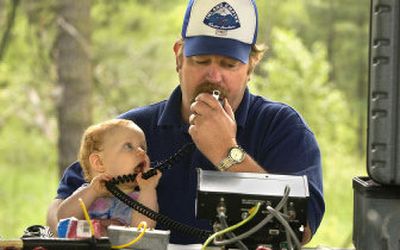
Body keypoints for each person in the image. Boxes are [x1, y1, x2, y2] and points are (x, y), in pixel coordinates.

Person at [48, 0, 324, 245]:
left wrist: (227, 154)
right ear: (179, 56)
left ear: (250, 67)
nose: (214, 76)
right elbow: (57, 212)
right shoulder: (132, 132)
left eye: (229, 65)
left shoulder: (282, 128)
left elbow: (301, 230)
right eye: (201, 60)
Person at [56, 119, 161, 233]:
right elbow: (63, 219)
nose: (141, 152)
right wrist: (92, 191)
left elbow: (144, 229)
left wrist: (148, 189)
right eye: (128, 146)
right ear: (99, 163)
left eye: (143, 147)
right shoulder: (86, 194)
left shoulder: (141, 200)